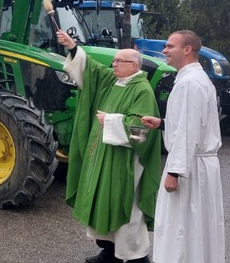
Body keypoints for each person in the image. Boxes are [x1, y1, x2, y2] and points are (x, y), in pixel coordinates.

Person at [56, 29, 161, 263]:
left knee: (126, 207)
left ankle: (136, 256)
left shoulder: (142, 90)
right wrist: (72, 46)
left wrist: (111, 121)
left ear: (134, 65)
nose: (113, 65)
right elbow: (90, 69)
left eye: (118, 61)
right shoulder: (114, 81)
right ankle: (109, 251)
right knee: (102, 202)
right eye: (113, 61)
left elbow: (142, 130)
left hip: (125, 162)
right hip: (103, 159)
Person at [140, 30, 224, 263]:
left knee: (181, 228)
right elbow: (192, 123)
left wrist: (175, 172)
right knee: (193, 227)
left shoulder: (190, 83)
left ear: (187, 49)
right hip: (194, 162)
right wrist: (163, 124)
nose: (164, 50)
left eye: (170, 46)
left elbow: (189, 132)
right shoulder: (194, 79)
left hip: (189, 167)